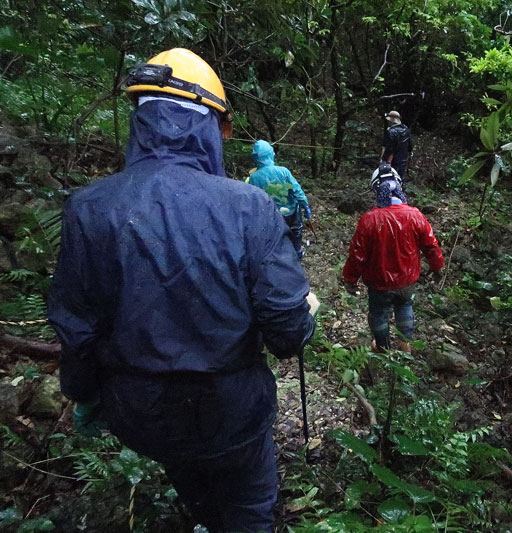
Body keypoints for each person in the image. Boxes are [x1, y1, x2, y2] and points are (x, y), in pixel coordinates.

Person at [47, 48, 318, 533]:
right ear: (210, 125)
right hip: (231, 412)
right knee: (249, 508)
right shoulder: (247, 207)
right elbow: (287, 332)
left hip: (140, 414)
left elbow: (76, 323)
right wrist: (305, 315)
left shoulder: (89, 207)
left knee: (192, 484)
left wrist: (83, 393)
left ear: (142, 121)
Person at [342, 168, 443, 352]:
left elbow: (357, 254)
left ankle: (382, 347)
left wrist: (350, 279)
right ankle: (405, 345)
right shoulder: (415, 215)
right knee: (405, 305)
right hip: (407, 280)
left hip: (379, 282)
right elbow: (431, 246)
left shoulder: (369, 219)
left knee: (379, 313)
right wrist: (437, 267)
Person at [247, 140, 311, 260]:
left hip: (271, 215)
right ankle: (297, 253)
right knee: (296, 231)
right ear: (270, 154)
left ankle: (279, 258)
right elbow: (296, 191)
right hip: (291, 212)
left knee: (276, 237)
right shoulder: (283, 171)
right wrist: (305, 204)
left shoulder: (253, 178)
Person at [381, 110, 413, 180]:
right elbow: (410, 146)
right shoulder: (406, 129)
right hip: (403, 161)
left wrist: (383, 160)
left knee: (389, 180)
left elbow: (389, 149)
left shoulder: (391, 132)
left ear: (391, 121)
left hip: (392, 161)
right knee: (400, 180)